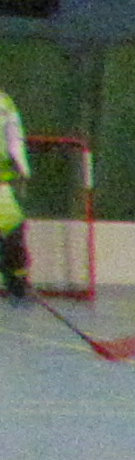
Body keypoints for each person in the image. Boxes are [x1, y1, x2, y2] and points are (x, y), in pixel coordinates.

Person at [0, 77, 30, 300]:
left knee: (13, 230)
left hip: (1, 180)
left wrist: (22, 167)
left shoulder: (4, 103)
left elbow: (14, 138)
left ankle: (17, 280)